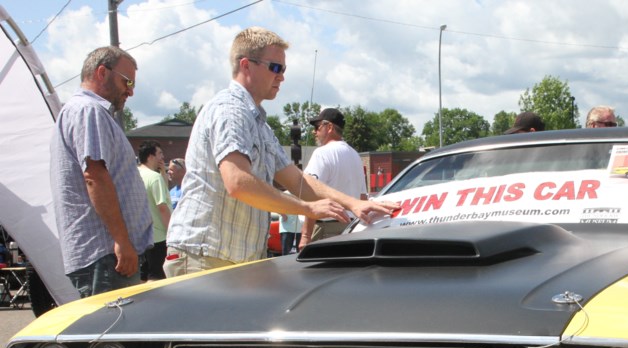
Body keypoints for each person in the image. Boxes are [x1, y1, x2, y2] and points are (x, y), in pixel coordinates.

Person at [164, 27, 396, 277]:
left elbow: (297, 180)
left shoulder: (259, 124)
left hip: (233, 258)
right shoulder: (229, 111)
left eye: (283, 69)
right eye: (276, 67)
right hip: (204, 255)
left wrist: (355, 203)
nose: (282, 77)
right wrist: (308, 209)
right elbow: (238, 183)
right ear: (246, 65)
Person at [49, 46, 153, 297]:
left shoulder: (85, 111)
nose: (130, 90)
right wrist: (122, 241)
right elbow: (94, 176)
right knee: (115, 334)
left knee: (117, 334)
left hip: (107, 257)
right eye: (126, 81)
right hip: (107, 256)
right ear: (101, 72)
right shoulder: (88, 110)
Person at [300, 107, 367, 246]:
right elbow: (363, 198)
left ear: (329, 127)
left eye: (317, 127)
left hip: (326, 230)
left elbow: (311, 194)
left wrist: (306, 236)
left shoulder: (322, 153)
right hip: (352, 228)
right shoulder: (355, 155)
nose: (314, 131)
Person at [137, 141, 172, 281]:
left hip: (141, 236)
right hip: (159, 236)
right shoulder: (154, 178)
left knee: (143, 276)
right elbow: (162, 207)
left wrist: (163, 172)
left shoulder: (136, 174)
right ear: (150, 156)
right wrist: (171, 233)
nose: (162, 157)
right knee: (158, 278)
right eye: (159, 154)